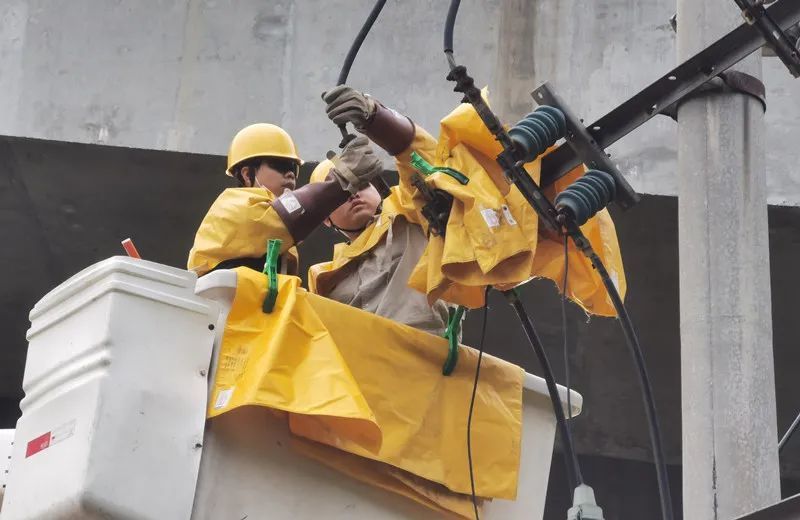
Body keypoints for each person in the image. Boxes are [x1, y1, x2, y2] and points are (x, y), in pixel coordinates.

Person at [187, 123, 383, 276]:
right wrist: (341, 180)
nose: (290, 174)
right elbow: (274, 219)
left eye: (293, 168)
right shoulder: (230, 207)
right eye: (280, 165)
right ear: (247, 174)